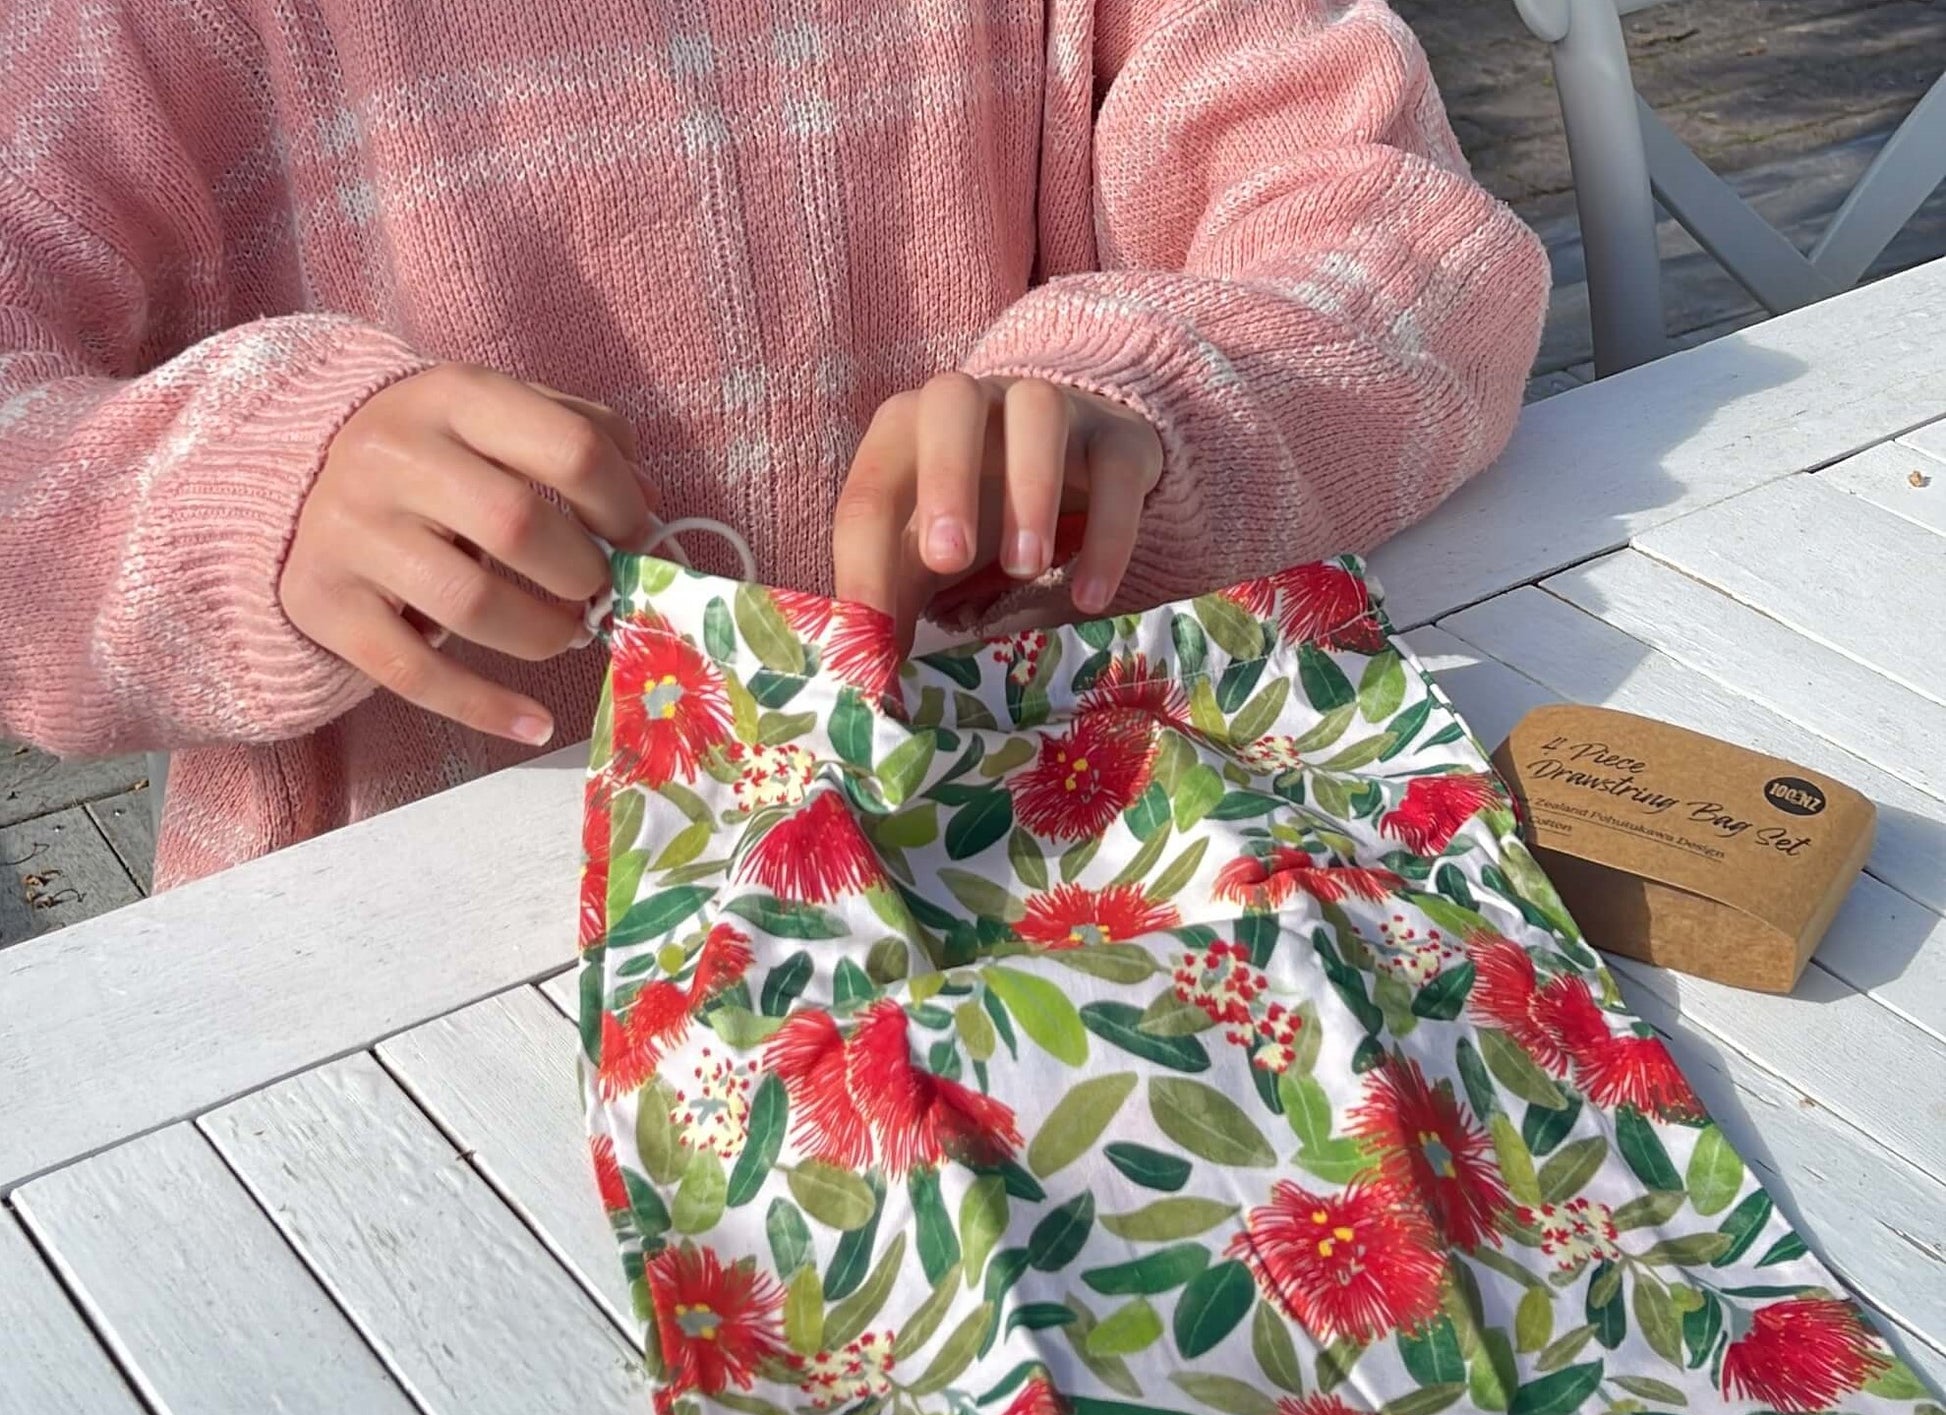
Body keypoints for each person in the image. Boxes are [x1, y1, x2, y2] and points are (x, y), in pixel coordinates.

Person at [0, 0, 1547, 889]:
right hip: (417, 953)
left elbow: (1396, 232)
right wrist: (249, 492)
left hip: (1041, 865)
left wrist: (1144, 408)